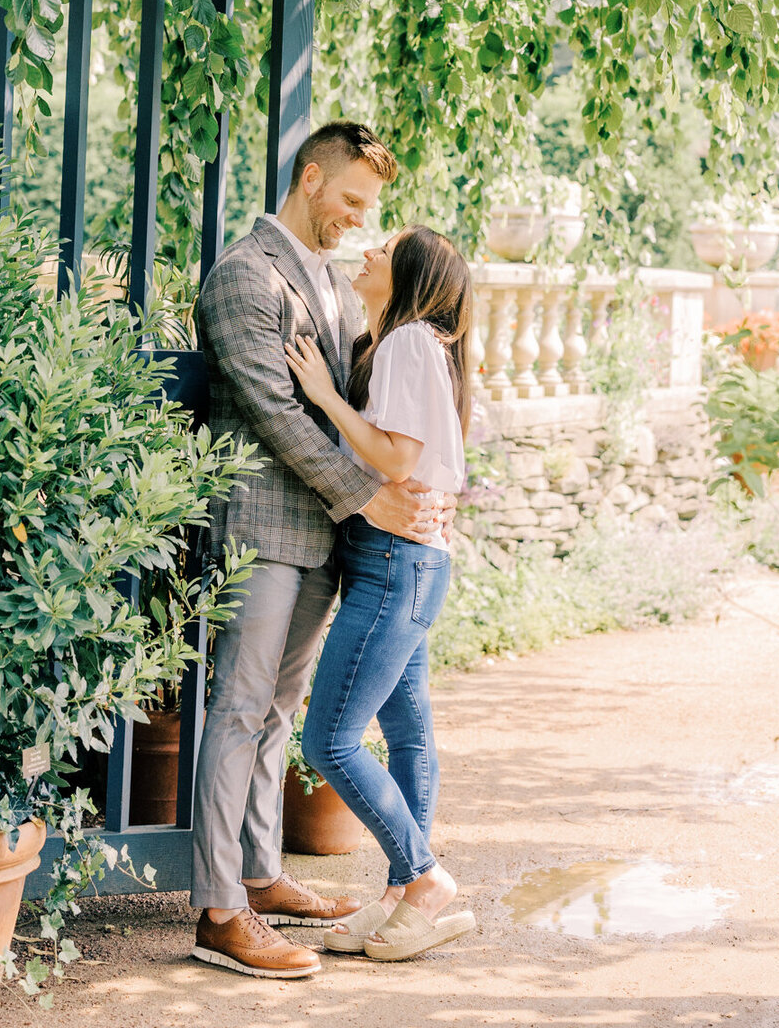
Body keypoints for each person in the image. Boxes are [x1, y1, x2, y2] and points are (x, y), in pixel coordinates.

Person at [191, 122, 455, 981]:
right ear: (310, 179)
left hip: (325, 539)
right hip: (263, 530)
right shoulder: (242, 275)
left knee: (276, 717)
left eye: (369, 209)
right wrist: (370, 494)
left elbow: (374, 414)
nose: (358, 221)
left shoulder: (340, 293)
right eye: (350, 201)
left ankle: (263, 876)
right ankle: (218, 910)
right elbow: (275, 412)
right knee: (237, 712)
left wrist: (407, 486)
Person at [283, 225, 477, 962]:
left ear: (412, 277)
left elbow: (399, 455)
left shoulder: (404, 343)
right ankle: (401, 899)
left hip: (395, 561)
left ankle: (424, 879)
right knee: (407, 732)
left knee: (328, 739)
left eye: (384, 250)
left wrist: (327, 398)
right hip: (410, 559)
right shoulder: (414, 345)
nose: (367, 250)